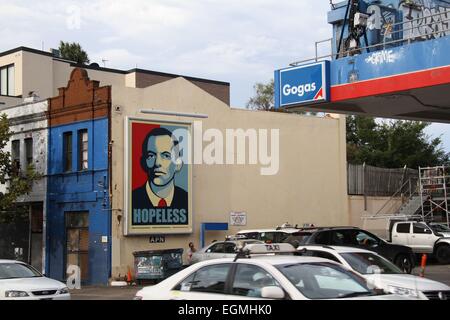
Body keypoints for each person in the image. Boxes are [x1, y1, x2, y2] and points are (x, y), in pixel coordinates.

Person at [132, 127, 188, 223]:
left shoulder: (185, 199)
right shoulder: (133, 199)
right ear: (143, 162)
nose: (157, 162)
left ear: (178, 164)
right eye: (151, 155)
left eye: (166, 155)